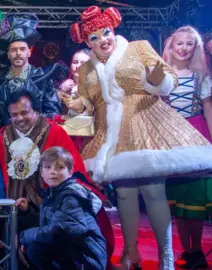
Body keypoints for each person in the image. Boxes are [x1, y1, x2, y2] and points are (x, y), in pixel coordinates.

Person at [65, 6, 212, 269]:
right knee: (124, 194)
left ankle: (166, 256)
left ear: (113, 29)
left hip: (145, 123)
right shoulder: (87, 69)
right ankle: (131, 254)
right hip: (111, 133)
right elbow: (87, 101)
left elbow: (167, 78)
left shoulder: (137, 47)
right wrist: (77, 104)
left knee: (154, 191)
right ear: (87, 42)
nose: (103, 40)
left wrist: (157, 78)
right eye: (94, 38)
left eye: (105, 32)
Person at [0, 90, 115, 269]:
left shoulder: (54, 132)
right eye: (14, 115)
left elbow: (73, 171)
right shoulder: (5, 136)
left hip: (52, 205)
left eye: (25, 112)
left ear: (37, 112)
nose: (19, 118)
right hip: (16, 205)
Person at [162, 26, 212, 268]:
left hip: (196, 134)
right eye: (179, 43)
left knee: (196, 198)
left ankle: (197, 249)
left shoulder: (200, 76)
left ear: (195, 48)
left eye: (189, 44)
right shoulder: (162, 75)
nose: (183, 48)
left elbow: (209, 109)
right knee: (177, 199)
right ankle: (187, 250)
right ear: (171, 46)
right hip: (171, 138)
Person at [18, 147, 106, 270]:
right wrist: (27, 211)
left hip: (86, 258)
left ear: (70, 172)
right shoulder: (53, 193)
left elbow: (59, 230)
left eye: (60, 167)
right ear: (42, 172)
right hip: (74, 252)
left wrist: (24, 237)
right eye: (48, 167)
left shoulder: (71, 196)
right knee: (35, 246)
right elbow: (49, 224)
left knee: (36, 247)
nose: (53, 172)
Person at [0, 14, 68, 144]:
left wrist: (32, 128)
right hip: (9, 145)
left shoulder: (43, 77)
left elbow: (53, 112)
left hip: (39, 142)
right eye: (13, 50)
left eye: (22, 49)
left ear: (29, 52)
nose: (18, 53)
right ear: (8, 54)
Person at [58, 48, 91, 116]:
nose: (78, 66)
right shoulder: (62, 84)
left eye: (83, 63)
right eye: (75, 62)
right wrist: (61, 90)